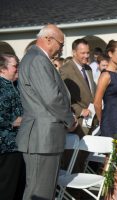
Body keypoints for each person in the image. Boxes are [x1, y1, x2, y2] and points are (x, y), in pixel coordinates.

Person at [16, 24, 78, 200]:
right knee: (39, 192)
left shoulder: (34, 58)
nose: (61, 48)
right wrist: (70, 119)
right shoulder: (37, 59)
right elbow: (52, 98)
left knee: (41, 189)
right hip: (42, 137)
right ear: (48, 39)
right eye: (61, 43)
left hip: (42, 137)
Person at [59, 38, 98, 175]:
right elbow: (62, 97)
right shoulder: (66, 70)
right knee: (72, 162)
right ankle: (71, 193)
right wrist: (79, 110)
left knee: (82, 160)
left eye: (88, 53)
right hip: (76, 122)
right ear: (74, 52)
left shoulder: (88, 68)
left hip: (90, 121)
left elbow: (91, 93)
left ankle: (80, 194)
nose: (86, 56)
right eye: (83, 53)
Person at [94, 40, 117, 151]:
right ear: (110, 54)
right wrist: (102, 121)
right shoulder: (105, 75)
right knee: (112, 158)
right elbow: (97, 102)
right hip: (111, 120)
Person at [0, 54, 24, 200]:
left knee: (16, 189)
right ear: (2, 69)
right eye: (15, 66)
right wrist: (13, 122)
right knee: (6, 190)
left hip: (17, 146)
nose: (17, 69)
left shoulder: (13, 84)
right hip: (6, 147)